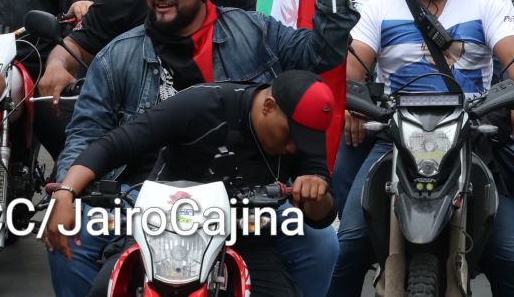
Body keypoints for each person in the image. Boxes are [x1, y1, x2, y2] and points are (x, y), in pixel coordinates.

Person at [52, 0, 354, 297]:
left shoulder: (254, 30)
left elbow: (322, 52)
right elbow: (88, 135)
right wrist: (67, 192)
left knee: (322, 244)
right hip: (136, 196)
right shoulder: (116, 56)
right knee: (66, 237)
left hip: (247, 194)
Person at [332, 0, 514, 297]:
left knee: (509, 258)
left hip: (472, 137)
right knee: (349, 247)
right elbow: (351, 68)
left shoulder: (485, 3)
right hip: (392, 138)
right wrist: (351, 104)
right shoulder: (379, 7)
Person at [45, 70, 337, 297]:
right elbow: (113, 145)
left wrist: (315, 193)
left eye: (301, 141)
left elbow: (321, 217)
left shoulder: (303, 131)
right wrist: (65, 193)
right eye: (288, 136)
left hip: (246, 237)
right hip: (162, 229)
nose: (292, 148)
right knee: (107, 289)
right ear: (268, 106)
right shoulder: (205, 103)